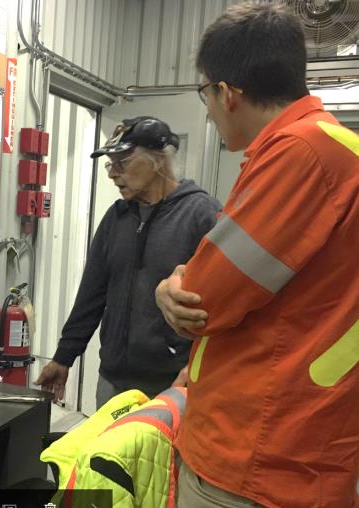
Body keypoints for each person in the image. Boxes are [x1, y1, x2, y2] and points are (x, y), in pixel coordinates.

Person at [155, 4, 359, 508]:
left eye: (205, 94)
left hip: (256, 452)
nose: (207, 109)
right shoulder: (331, 150)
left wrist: (170, 287)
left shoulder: (302, 153)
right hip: (298, 444)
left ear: (226, 93)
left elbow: (203, 300)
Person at [35, 116, 221, 409]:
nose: (112, 173)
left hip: (173, 384)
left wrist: (200, 368)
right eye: (111, 164)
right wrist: (64, 357)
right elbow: (92, 293)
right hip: (113, 381)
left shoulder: (202, 215)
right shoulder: (116, 218)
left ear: (158, 160)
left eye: (122, 161)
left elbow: (225, 306)